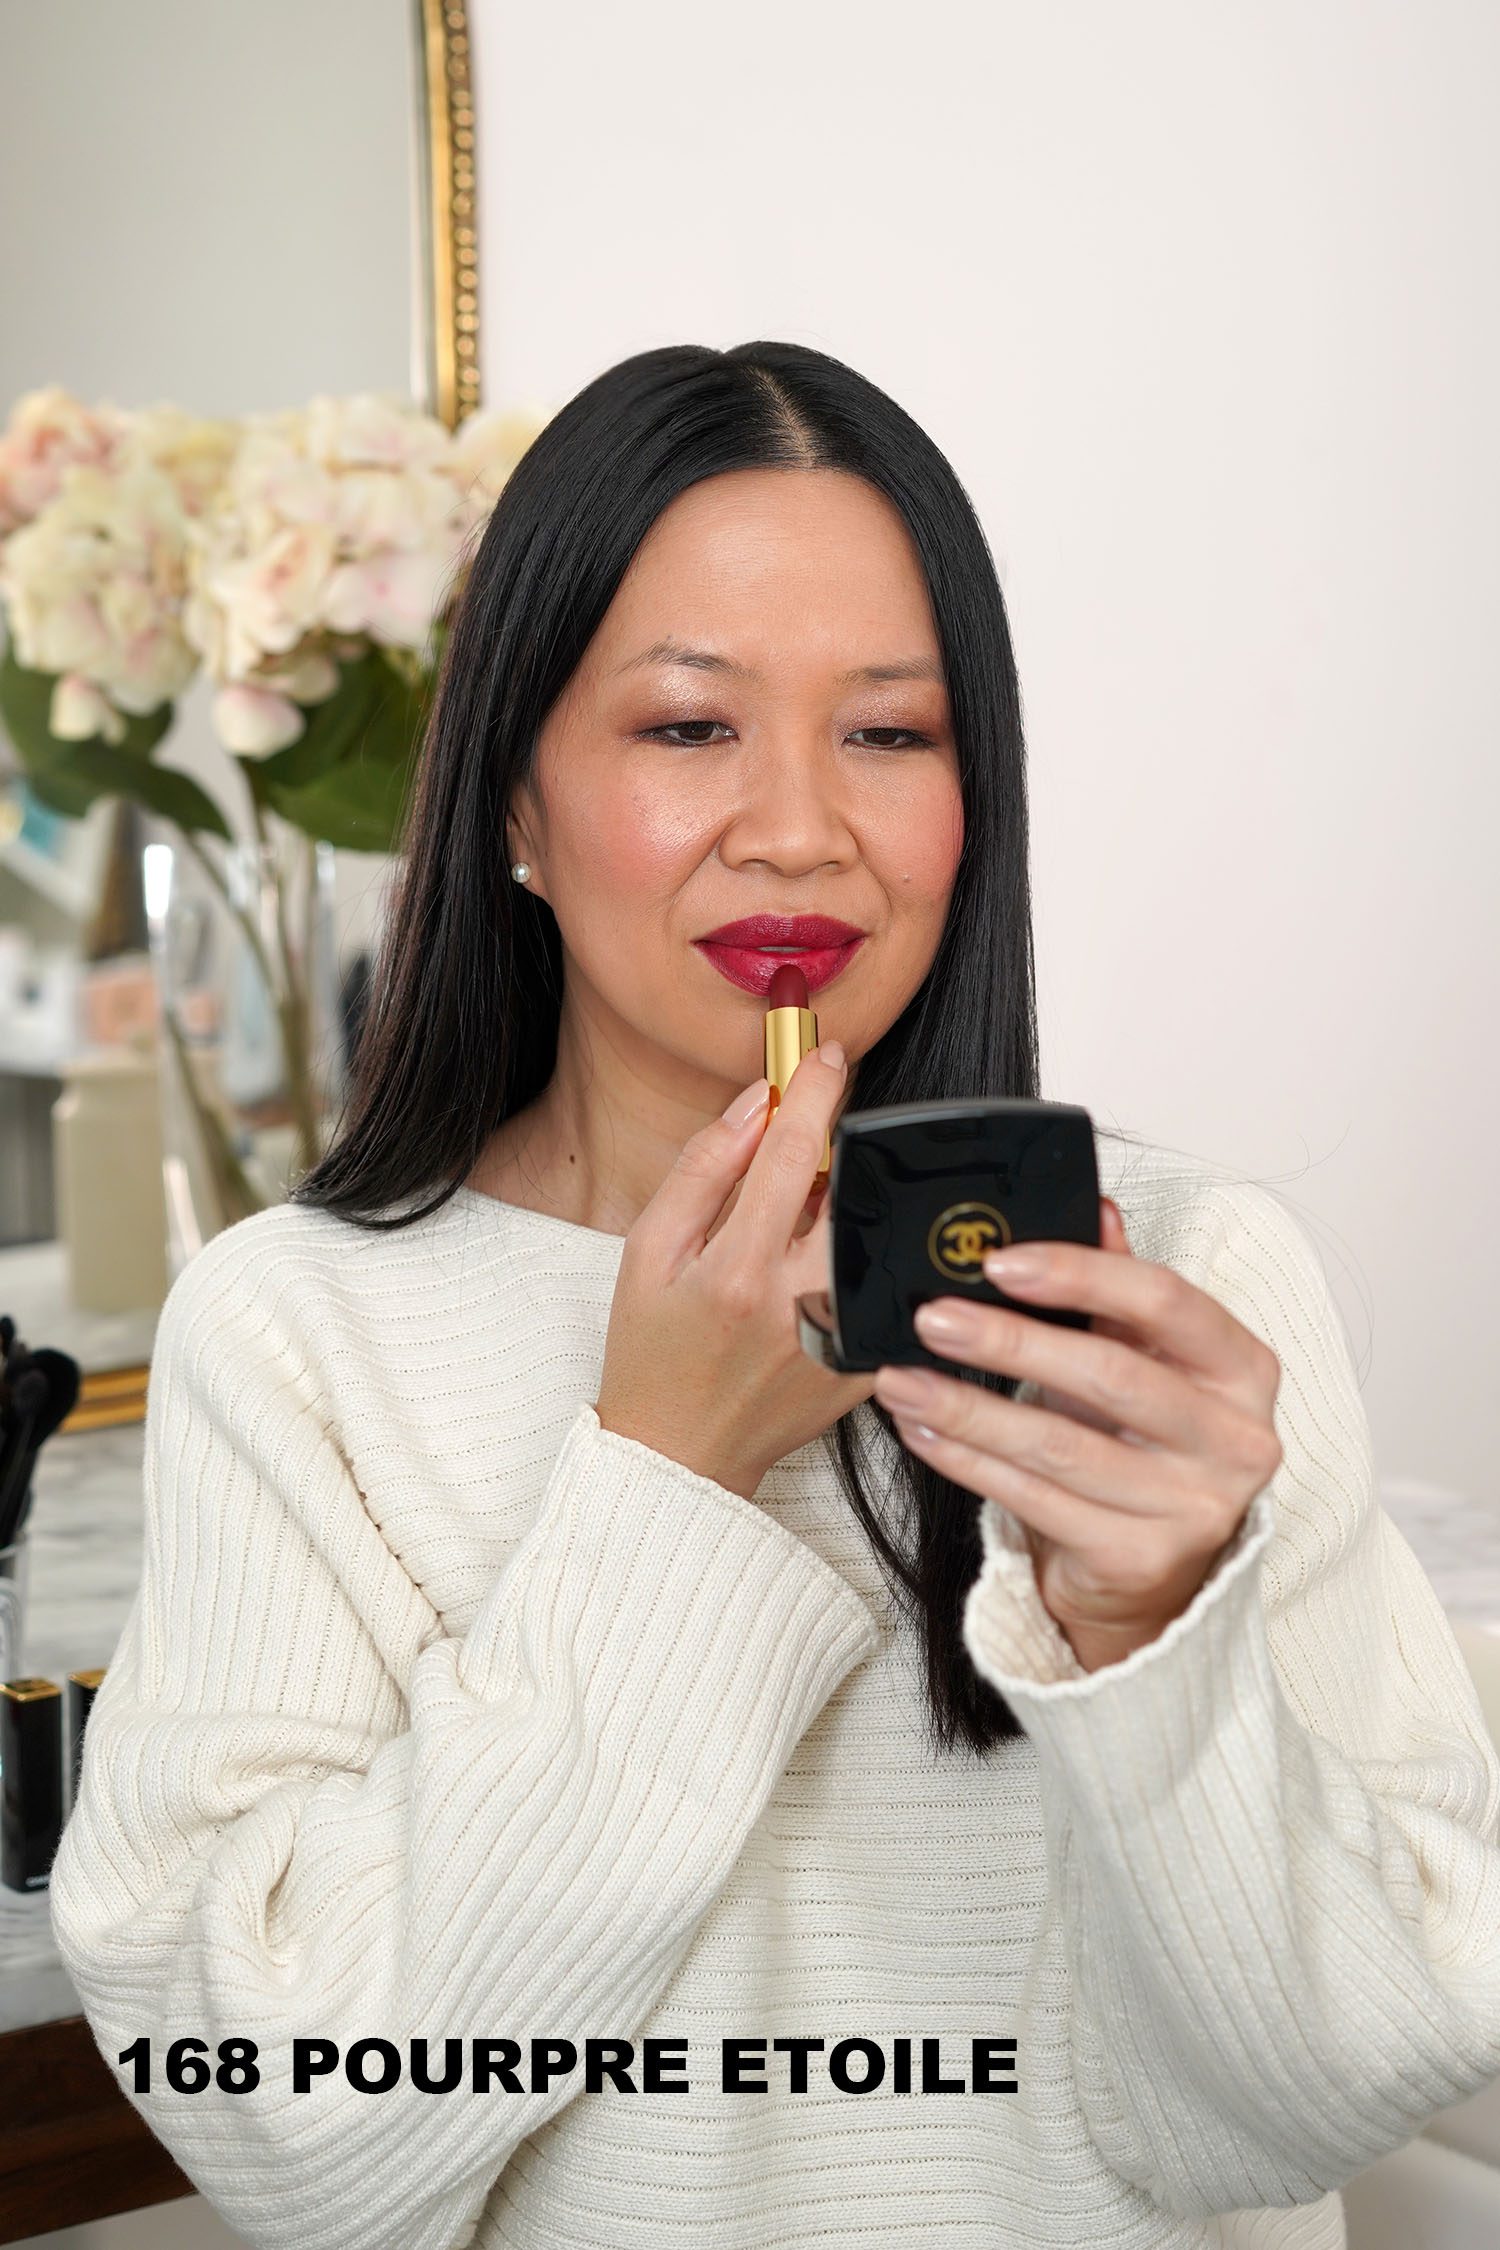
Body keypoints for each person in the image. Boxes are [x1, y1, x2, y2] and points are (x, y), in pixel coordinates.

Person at [49, 341, 1500, 2250]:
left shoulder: (1177, 1282)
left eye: (889, 736)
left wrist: (1156, 1635)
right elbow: (292, 2146)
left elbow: (1312, 2102)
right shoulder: (299, 1332)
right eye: (687, 727)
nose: (801, 826)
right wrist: (664, 1475)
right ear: (511, 804)